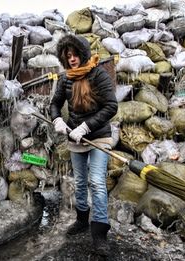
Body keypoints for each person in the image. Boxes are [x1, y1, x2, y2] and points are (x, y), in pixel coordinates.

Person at [50, 34, 118, 256]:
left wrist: (86, 127)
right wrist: (57, 119)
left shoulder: (98, 74)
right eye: (67, 56)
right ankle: (81, 219)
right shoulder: (65, 79)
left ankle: (99, 232)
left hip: (97, 136)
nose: (71, 59)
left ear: (83, 54)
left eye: (75, 54)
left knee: (96, 182)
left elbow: (111, 106)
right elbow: (55, 103)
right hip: (74, 136)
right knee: (80, 182)